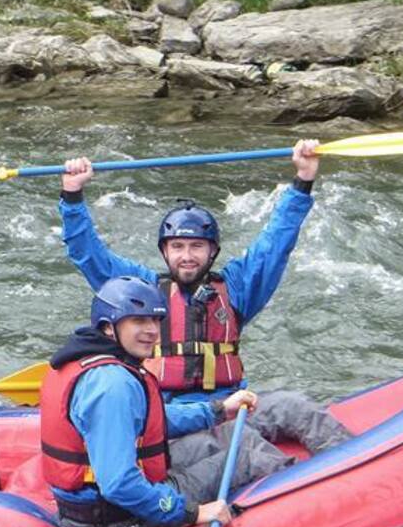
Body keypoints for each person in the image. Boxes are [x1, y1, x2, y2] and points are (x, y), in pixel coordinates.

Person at [57, 141, 350, 454]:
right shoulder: (139, 292)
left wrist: (303, 179)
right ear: (165, 251)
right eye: (177, 247)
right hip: (174, 419)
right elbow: (88, 254)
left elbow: (276, 242)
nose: (187, 256)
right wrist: (73, 195)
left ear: (212, 252)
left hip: (234, 406)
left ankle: (353, 463)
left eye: (197, 246)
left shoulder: (236, 287)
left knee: (298, 407)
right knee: (246, 447)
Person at [41, 276, 294, 527]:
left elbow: (151, 419)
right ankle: (300, 518)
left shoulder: (93, 361)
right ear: (108, 327)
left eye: (155, 320)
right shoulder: (112, 385)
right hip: (118, 521)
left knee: (229, 435)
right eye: (138, 321)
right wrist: (193, 513)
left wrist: (218, 410)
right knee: (249, 458)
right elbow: (118, 485)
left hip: (101, 506)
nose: (151, 330)